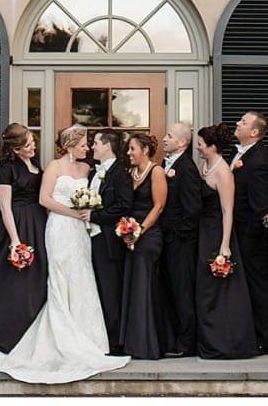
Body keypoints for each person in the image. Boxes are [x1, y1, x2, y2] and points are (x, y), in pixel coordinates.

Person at [0, 125, 130, 383]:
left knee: (82, 278)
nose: (88, 148)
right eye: (83, 144)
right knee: (58, 277)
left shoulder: (88, 169)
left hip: (82, 232)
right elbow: (44, 200)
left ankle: (89, 338)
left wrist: (89, 213)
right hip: (59, 228)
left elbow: (97, 197)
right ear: (71, 145)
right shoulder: (53, 167)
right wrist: (73, 214)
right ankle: (58, 335)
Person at [0, 123, 48, 353]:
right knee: (11, 282)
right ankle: (7, 335)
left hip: (38, 222)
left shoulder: (36, 164)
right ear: (16, 149)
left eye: (32, 141)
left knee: (38, 278)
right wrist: (15, 241)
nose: (33, 146)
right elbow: (4, 207)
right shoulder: (5, 169)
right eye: (28, 144)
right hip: (16, 224)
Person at [195, 123, 257, 359]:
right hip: (203, 230)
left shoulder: (223, 173)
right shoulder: (205, 165)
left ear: (212, 147)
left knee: (219, 287)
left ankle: (226, 342)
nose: (198, 147)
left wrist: (224, 244)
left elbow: (227, 210)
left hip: (217, 232)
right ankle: (207, 339)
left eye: (201, 144)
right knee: (204, 287)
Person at [118, 132, 170, 360]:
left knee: (143, 284)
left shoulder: (156, 171)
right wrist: (127, 230)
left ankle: (146, 345)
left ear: (145, 150)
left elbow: (158, 207)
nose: (129, 153)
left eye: (132, 149)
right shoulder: (130, 173)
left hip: (148, 235)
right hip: (129, 233)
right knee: (132, 284)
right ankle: (131, 341)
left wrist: (139, 230)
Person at [230, 110, 268, 353]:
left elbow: (259, 206)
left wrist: (248, 236)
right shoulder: (239, 155)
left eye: (243, 122)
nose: (238, 123)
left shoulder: (258, 162)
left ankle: (264, 338)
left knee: (259, 286)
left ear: (254, 132)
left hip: (251, 237)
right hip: (237, 233)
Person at [87, 128, 133, 355]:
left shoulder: (120, 174)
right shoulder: (92, 173)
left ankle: (115, 343)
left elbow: (124, 205)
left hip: (108, 242)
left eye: (95, 142)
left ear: (107, 146)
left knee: (110, 291)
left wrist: (93, 216)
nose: (92, 146)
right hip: (91, 239)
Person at [160, 121, 202, 357]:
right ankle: (174, 337)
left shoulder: (186, 168)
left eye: (169, 135)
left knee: (182, 290)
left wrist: (177, 235)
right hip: (168, 241)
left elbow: (193, 209)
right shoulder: (166, 164)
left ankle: (187, 343)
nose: (164, 139)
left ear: (182, 142)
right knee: (171, 289)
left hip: (181, 243)